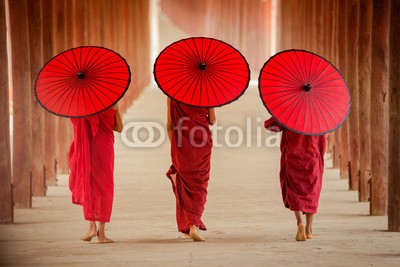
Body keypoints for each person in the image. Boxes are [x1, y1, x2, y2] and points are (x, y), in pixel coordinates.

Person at [264, 117, 326, 241]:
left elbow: (271, 126)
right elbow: (322, 144)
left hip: (293, 155)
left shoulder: (290, 112)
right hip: (312, 156)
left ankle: (299, 223)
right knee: (312, 190)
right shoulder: (319, 116)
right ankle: (309, 229)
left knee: (294, 189)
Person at [68, 104, 123, 243]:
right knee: (105, 186)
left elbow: (75, 122)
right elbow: (119, 128)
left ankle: (91, 226)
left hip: (86, 146)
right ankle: (101, 234)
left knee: (88, 182)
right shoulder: (113, 103)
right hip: (104, 147)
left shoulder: (80, 105)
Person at [166, 98, 216, 242]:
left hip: (180, 144)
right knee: (200, 183)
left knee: (184, 182)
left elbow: (170, 125)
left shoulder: (172, 95)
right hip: (202, 143)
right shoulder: (206, 92)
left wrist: (175, 146)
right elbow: (212, 120)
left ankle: (190, 226)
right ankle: (193, 225)